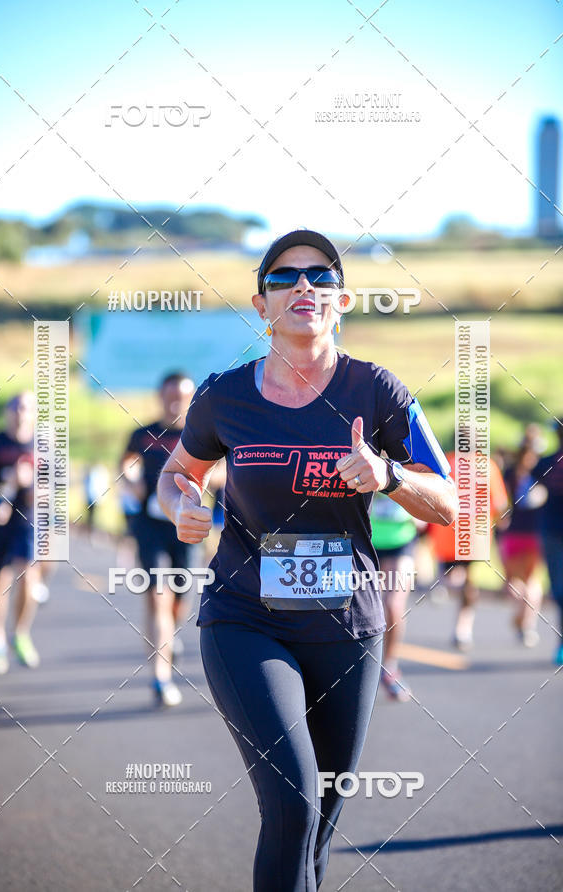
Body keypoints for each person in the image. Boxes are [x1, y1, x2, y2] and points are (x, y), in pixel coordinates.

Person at [156, 229, 458, 891]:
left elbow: (448, 503)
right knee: (292, 801)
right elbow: (177, 473)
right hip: (245, 619)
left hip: (345, 626)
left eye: (320, 277)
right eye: (284, 277)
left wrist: (388, 475)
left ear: (341, 301)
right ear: (261, 305)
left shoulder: (377, 390)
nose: (303, 287)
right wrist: (181, 503)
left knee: (319, 822)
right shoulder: (224, 395)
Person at [120, 372, 196, 707]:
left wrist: (204, 483)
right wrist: (131, 479)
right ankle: (161, 678)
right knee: (159, 597)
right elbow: (127, 463)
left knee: (181, 601)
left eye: (182, 396)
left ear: (191, 398)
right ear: (161, 397)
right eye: (170, 395)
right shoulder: (143, 434)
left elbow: (223, 470)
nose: (175, 402)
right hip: (149, 524)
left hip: (186, 526)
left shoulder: (199, 434)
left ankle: (169, 636)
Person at [0, 392, 39, 674]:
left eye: (26, 408)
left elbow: (53, 489)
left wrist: (31, 485)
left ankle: (20, 633)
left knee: (29, 574)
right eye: (16, 408)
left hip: (27, 520)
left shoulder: (43, 446)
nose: (21, 414)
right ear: (8, 413)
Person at [427, 450, 508, 651]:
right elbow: (500, 504)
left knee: (455, 577)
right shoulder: (487, 466)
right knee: (468, 583)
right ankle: (463, 629)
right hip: (474, 536)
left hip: (447, 533)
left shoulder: (445, 463)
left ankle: (444, 588)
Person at [369, 494, 421, 702]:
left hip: (401, 540)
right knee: (362, 607)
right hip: (367, 539)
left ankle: (390, 668)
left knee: (392, 605)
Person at [498, 441, 545, 647]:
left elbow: (501, 504)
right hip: (533, 534)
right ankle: (526, 624)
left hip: (515, 533)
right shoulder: (541, 473)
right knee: (530, 581)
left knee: (516, 582)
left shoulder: (509, 474)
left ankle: (522, 621)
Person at [532, 418, 563, 664]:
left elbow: (528, 491)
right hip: (552, 533)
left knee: (559, 590)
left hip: (551, 532)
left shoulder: (546, 463)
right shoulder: (546, 463)